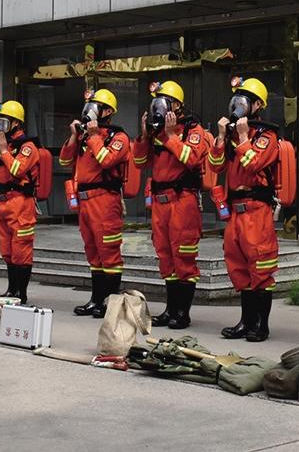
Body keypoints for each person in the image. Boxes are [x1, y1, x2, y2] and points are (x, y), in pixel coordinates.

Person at [207, 77, 280, 342]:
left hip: (256, 209)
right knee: (238, 267)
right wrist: (221, 137)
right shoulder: (232, 137)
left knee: (260, 268)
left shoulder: (267, 136)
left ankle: (260, 325)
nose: (237, 105)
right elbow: (215, 165)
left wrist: (242, 137)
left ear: (257, 105)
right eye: (236, 100)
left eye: (244, 100)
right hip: (236, 211)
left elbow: (254, 163)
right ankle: (246, 321)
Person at [132, 81, 210, 329]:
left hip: (182, 200)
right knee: (165, 257)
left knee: (183, 256)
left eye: (164, 103)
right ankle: (170, 310)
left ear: (176, 105)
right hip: (161, 202)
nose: (159, 108)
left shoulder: (193, 130)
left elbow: (192, 158)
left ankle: (182, 313)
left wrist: (171, 136)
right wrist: (144, 136)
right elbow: (139, 162)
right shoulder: (156, 134)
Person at [58, 89, 130, 318]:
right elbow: (64, 161)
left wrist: (94, 135)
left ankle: (110, 303)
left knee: (108, 252)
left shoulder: (118, 137)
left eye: (95, 107)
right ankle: (96, 300)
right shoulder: (84, 137)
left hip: (105, 200)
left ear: (107, 112)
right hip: (85, 201)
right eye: (88, 106)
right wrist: (74, 136)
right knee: (93, 252)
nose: (89, 111)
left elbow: (106, 160)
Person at [0, 100, 38, 304]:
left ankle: (21, 294)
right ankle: (11, 291)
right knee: (7, 250)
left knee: (21, 250)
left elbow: (17, 170)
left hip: (21, 203)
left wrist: (3, 150)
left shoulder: (27, 147)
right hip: (2, 204)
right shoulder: (2, 146)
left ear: (15, 123)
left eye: (3, 123)